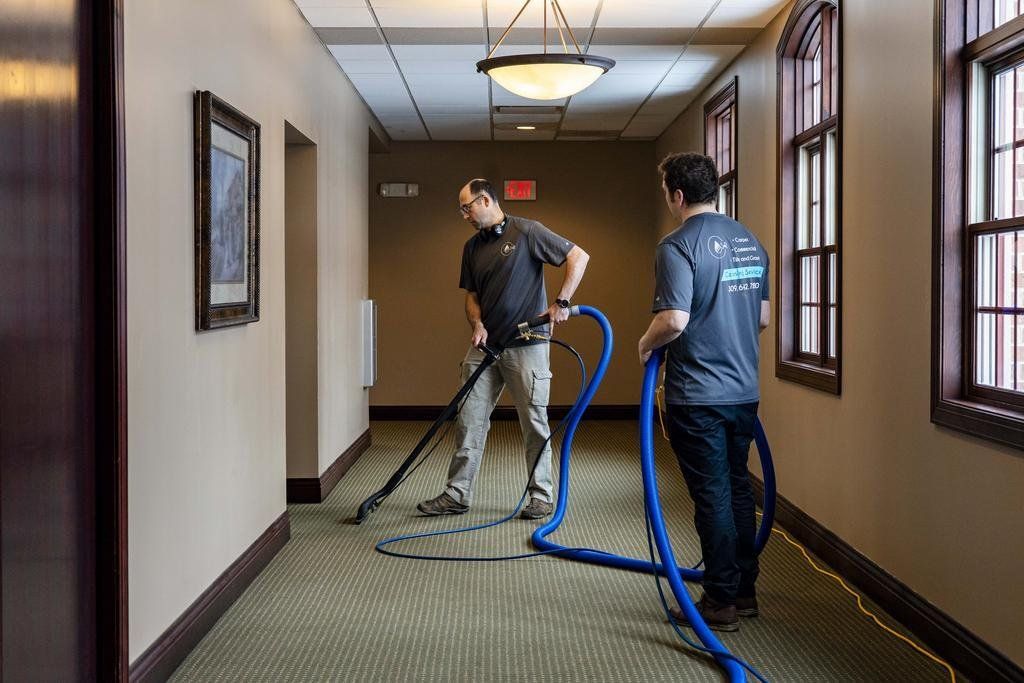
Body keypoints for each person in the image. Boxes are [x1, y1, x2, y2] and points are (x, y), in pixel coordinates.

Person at [638, 153, 770, 632]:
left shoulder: (676, 246)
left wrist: (644, 344)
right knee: (737, 488)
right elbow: (762, 319)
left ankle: (719, 601)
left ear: (676, 194)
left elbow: (673, 319)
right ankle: (744, 590)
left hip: (697, 394)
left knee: (711, 495)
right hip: (743, 392)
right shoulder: (751, 243)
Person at [417, 179, 590, 520]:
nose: (464, 215)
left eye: (467, 207)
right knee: (469, 420)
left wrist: (562, 302)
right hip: (486, 347)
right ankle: (457, 493)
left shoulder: (527, 232)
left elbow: (578, 256)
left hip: (528, 344)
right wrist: (477, 323)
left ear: (485, 201)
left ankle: (541, 496)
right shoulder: (471, 247)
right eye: (462, 209)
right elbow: (471, 295)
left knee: (534, 423)